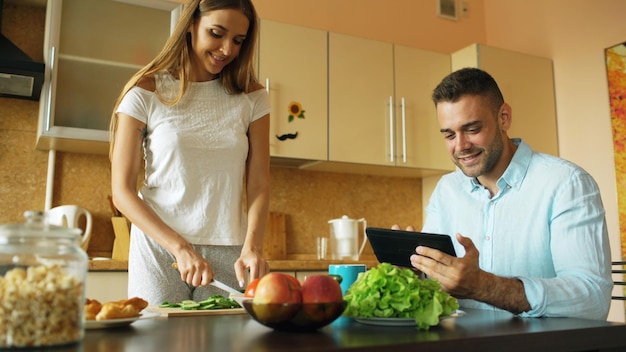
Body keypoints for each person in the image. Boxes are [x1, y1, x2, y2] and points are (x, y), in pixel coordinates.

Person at [394, 67, 612, 320]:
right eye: (449, 135)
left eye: (472, 129)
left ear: (504, 118)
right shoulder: (446, 191)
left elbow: (592, 299)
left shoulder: (566, 183)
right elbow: (436, 286)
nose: (461, 146)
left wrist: (484, 287)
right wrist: (414, 272)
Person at [108, 0, 270, 305]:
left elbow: (259, 184)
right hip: (160, 248)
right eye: (216, 33)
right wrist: (179, 247)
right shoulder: (147, 90)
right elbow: (122, 192)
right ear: (191, 25)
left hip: (229, 251)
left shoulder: (253, 98)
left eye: (238, 40)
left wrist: (253, 247)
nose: (227, 49)